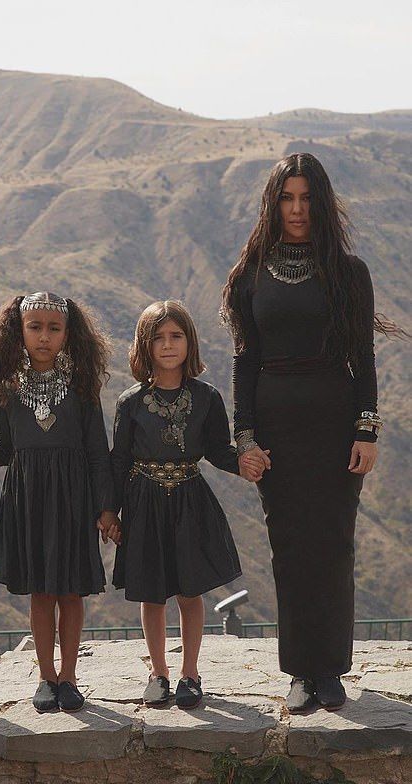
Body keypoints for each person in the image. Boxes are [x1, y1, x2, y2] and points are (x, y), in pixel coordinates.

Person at [221, 152, 401, 713]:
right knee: (289, 546)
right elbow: (244, 361)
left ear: (320, 203)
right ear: (273, 205)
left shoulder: (350, 273)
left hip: (334, 420)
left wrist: (366, 430)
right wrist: (244, 437)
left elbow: (363, 358)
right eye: (286, 198)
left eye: (305, 198)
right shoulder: (249, 275)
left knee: (333, 544)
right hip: (275, 426)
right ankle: (300, 670)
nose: (296, 209)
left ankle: (331, 671)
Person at [0, 292, 119, 713]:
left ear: (68, 333)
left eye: (54, 328)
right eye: (35, 327)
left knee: (71, 592)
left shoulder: (83, 386)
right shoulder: (8, 387)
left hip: (74, 498)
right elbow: (2, 449)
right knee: (41, 593)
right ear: (19, 331)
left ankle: (70, 678)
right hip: (28, 499)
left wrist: (106, 507)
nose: (44, 337)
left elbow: (98, 451)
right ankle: (45, 678)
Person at [110, 300, 255, 709]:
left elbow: (217, 450)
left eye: (176, 336)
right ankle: (158, 673)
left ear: (189, 342)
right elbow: (118, 461)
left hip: (190, 501)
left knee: (190, 593)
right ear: (145, 345)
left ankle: (190, 674)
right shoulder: (130, 402)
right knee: (152, 595)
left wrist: (245, 463)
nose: (168, 345)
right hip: (143, 502)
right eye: (158, 338)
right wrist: (109, 511)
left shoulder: (206, 397)